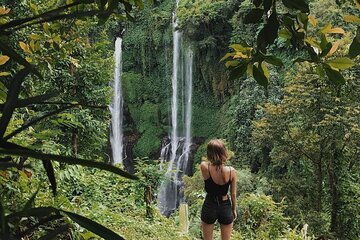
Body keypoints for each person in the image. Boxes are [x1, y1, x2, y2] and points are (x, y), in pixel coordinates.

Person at [200, 139, 237, 240]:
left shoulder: (204, 167)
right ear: (224, 152)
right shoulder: (231, 171)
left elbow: (207, 162)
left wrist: (213, 159)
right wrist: (234, 209)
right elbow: (233, 194)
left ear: (209, 154)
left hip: (209, 205)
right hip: (225, 206)